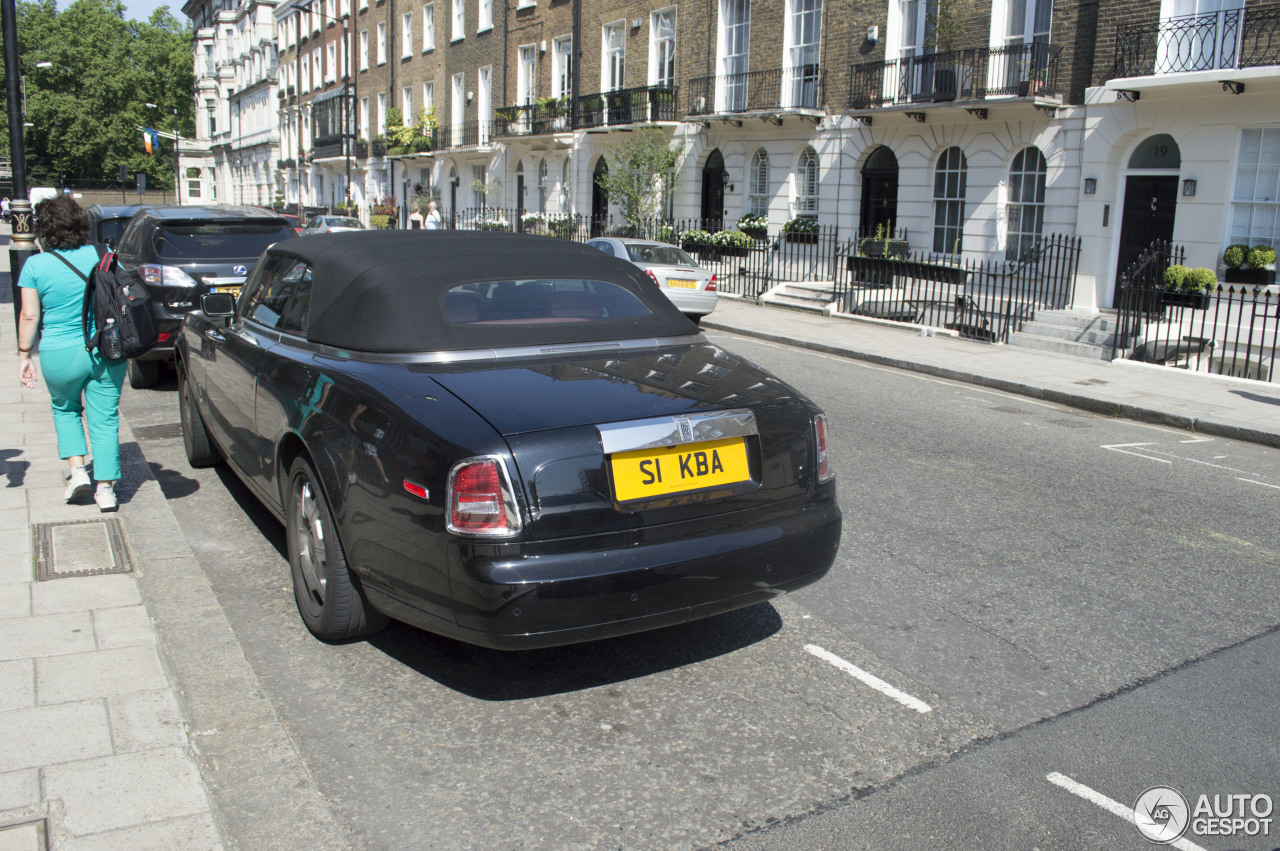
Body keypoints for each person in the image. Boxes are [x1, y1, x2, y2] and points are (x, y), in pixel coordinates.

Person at [16, 195, 126, 512]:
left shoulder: (35, 265)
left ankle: (78, 471)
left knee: (65, 410)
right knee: (104, 420)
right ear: (80, 224)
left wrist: (24, 354)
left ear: (44, 230)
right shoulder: (100, 255)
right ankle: (106, 490)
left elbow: (29, 316)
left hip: (59, 352)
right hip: (105, 347)